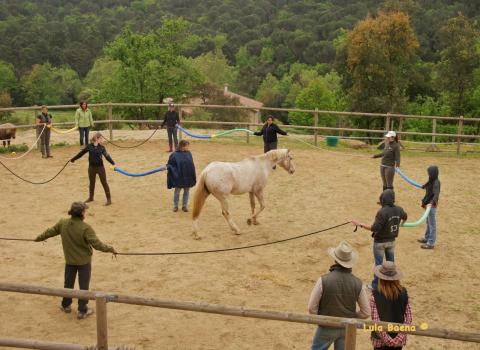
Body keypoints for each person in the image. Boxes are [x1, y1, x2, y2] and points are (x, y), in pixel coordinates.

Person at [34, 202, 117, 319]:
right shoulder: (85, 228)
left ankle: (66, 305)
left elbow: (50, 232)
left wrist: (38, 238)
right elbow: (97, 245)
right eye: (84, 211)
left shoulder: (63, 223)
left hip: (69, 261)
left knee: (68, 283)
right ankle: (82, 310)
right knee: (83, 286)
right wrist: (110, 249)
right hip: (83, 262)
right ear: (81, 213)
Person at [308, 241, 369, 350]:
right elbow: (366, 312)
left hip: (326, 325)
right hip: (346, 327)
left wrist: (322, 318)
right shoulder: (358, 283)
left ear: (335, 259)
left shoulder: (323, 280)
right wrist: (351, 317)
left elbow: (311, 307)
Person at [351, 189, 407, 290]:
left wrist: (360, 224)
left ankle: (375, 285)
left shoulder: (382, 212)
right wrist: (400, 224)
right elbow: (405, 217)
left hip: (380, 243)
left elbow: (374, 228)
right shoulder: (399, 209)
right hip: (391, 241)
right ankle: (392, 283)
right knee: (391, 263)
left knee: (379, 264)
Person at [370, 261, 412, 350]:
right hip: (398, 340)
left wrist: (387, 339)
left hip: (380, 341)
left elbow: (376, 321)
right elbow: (409, 318)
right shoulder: (404, 292)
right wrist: (398, 338)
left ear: (380, 278)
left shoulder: (375, 295)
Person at [70, 132, 115, 206]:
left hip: (100, 168)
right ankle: (91, 197)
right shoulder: (89, 146)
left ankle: (109, 199)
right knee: (91, 182)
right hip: (91, 168)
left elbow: (107, 156)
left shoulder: (102, 147)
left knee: (104, 182)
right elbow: (81, 154)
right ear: (96, 139)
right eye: (101, 138)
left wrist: (113, 163)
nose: (102, 140)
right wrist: (74, 159)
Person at [167, 140, 196, 212]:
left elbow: (191, 165)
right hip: (179, 177)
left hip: (187, 177)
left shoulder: (189, 153)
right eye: (187, 146)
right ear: (182, 146)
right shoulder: (174, 155)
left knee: (186, 192)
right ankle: (175, 206)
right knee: (177, 192)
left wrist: (192, 175)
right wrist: (168, 167)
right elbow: (170, 165)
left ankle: (184, 206)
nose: (188, 147)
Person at [418, 165, 440, 249]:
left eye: (429, 173)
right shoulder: (432, 180)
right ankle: (426, 237)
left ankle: (431, 243)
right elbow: (428, 184)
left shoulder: (436, 182)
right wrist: (424, 186)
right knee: (428, 222)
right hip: (427, 205)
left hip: (431, 206)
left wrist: (431, 203)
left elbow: (436, 194)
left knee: (432, 224)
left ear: (433, 173)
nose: (428, 175)